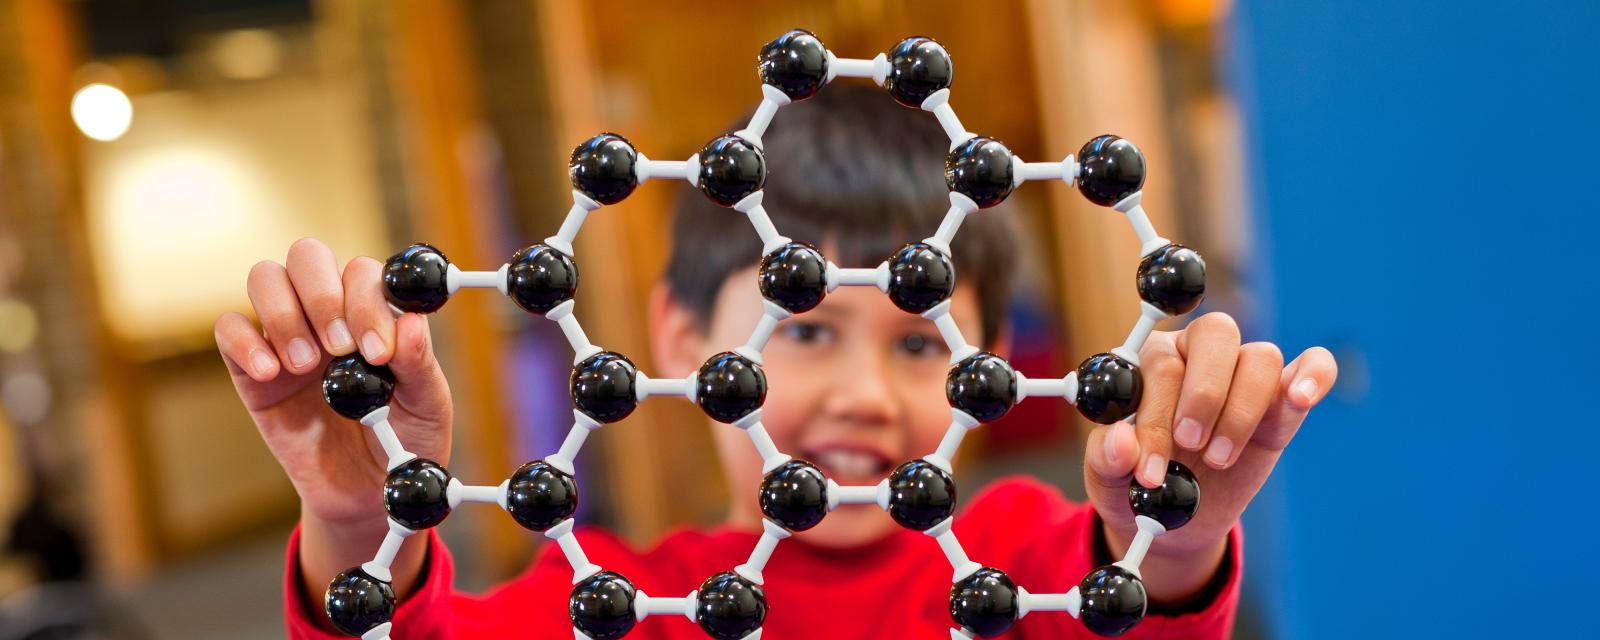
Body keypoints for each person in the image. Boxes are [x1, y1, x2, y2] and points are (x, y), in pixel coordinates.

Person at [214, 85, 1338, 638]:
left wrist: (1172, 532)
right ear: (678, 342)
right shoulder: (611, 597)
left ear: (991, 364)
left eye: (916, 340)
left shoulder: (1024, 567)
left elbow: (1129, 606)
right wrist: (362, 528)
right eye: (800, 328)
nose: (860, 392)